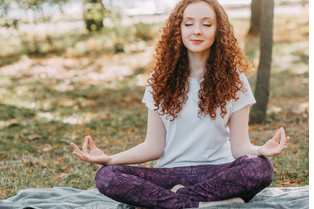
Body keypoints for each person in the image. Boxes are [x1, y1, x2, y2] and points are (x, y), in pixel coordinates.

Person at [70, 0, 290, 208]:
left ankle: (175, 201)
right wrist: (109, 159)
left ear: (218, 31)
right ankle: (200, 204)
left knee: (261, 167)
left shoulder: (235, 79)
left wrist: (259, 150)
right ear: (178, 30)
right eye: (188, 24)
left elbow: (240, 147)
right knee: (107, 176)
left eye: (206, 24)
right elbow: (154, 146)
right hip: (168, 175)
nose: (197, 31)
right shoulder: (159, 80)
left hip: (218, 174)